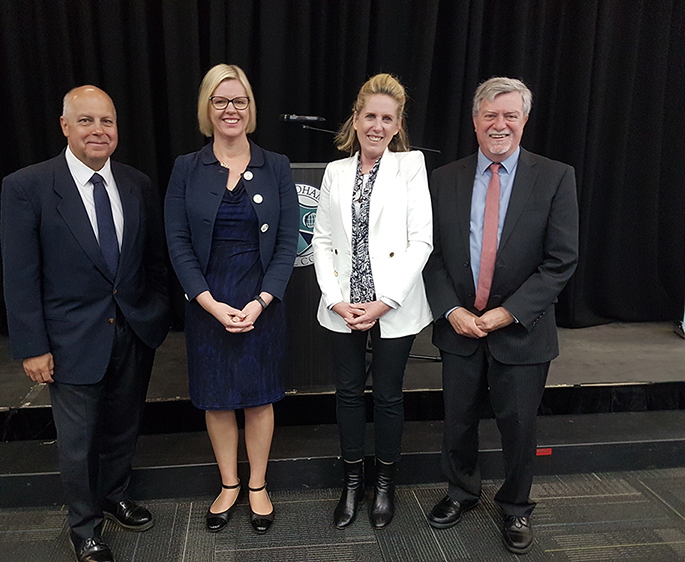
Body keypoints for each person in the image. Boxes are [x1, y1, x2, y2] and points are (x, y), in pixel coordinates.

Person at [1, 85, 171, 562]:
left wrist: (154, 312)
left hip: (133, 331)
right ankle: (84, 525)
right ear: (65, 127)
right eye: (87, 121)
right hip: (69, 339)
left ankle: (114, 496)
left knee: (122, 426)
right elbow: (20, 276)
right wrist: (32, 346)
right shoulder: (26, 187)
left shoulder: (136, 183)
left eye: (107, 122)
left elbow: (153, 260)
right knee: (77, 443)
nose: (99, 130)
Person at [423, 77, 579, 554]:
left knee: (519, 425)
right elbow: (430, 257)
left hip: (522, 329)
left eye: (510, 115)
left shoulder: (555, 176)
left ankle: (515, 507)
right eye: (490, 115)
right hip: (460, 326)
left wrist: (506, 314)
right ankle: (462, 492)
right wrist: (451, 309)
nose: (500, 124)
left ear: (525, 121)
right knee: (458, 420)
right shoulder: (443, 178)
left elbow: (561, 260)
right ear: (474, 122)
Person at [164, 64, 298, 535]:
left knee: (260, 400)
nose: (230, 110)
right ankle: (229, 483)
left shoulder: (276, 166)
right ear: (207, 108)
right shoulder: (186, 167)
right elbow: (177, 241)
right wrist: (209, 303)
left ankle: (258, 486)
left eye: (238, 100)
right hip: (208, 304)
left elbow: (287, 244)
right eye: (220, 101)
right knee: (218, 400)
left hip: (262, 303)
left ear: (250, 107)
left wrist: (262, 301)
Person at [312, 73, 433, 530]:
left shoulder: (411, 166)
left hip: (392, 306)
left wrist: (385, 302)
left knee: (386, 396)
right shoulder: (335, 171)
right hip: (343, 305)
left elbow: (422, 242)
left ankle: (384, 485)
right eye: (370, 116)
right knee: (346, 395)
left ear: (398, 124)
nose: (377, 126)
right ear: (356, 119)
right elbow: (322, 240)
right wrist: (335, 299)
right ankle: (351, 484)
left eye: (387, 118)